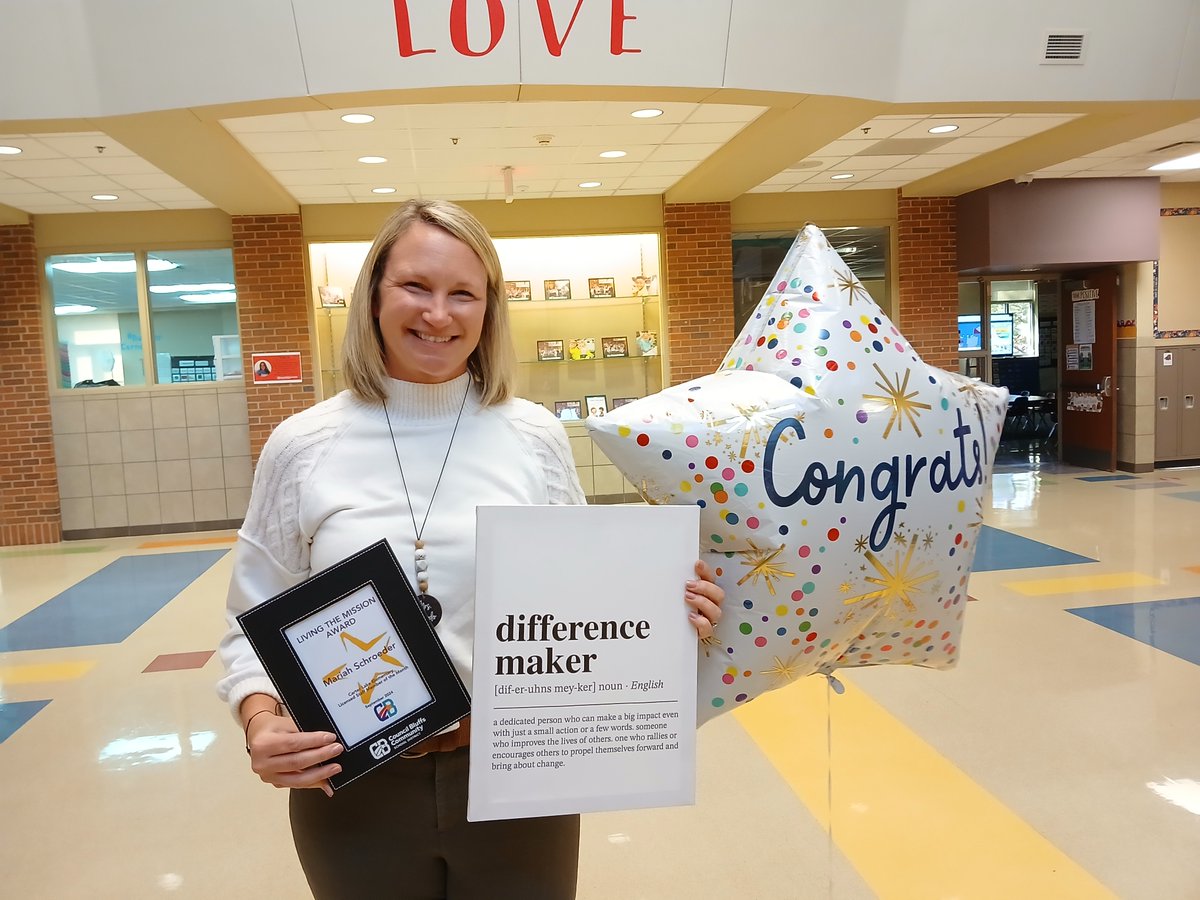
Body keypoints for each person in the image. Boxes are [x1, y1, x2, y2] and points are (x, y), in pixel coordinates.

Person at [216, 199, 724, 900]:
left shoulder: (532, 437)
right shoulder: (303, 445)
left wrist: (670, 608)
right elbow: (253, 617)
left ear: (489, 310)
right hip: (354, 782)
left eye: (463, 293)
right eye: (415, 286)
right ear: (373, 295)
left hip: (521, 769)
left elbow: (584, 600)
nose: (438, 314)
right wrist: (260, 720)